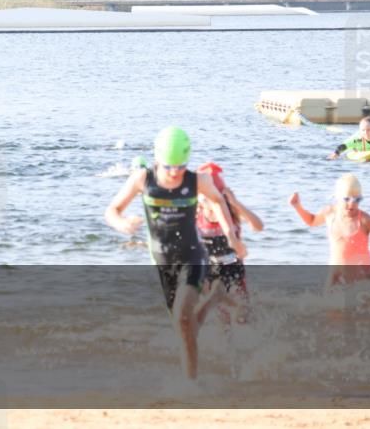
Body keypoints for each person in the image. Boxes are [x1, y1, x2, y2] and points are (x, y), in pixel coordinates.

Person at [105, 126, 245, 380]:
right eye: (168, 167)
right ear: (157, 160)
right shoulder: (141, 179)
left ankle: (190, 383)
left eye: (180, 167)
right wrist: (122, 223)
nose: (174, 173)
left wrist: (232, 236)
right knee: (184, 324)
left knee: (182, 319)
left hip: (192, 255)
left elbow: (217, 200)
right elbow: (112, 210)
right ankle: (214, 299)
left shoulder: (197, 180)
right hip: (161, 259)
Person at [289, 174, 370, 288]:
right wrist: (297, 206)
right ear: (337, 197)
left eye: (357, 199)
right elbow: (312, 221)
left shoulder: (365, 220)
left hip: (362, 277)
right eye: (347, 199)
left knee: (361, 303)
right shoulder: (329, 213)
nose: (352, 204)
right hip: (335, 275)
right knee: (326, 304)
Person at [196, 163, 264, 320]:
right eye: (208, 199)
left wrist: (236, 203)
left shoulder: (231, 212)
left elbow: (258, 226)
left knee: (244, 316)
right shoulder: (197, 214)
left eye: (218, 198)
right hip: (208, 271)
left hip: (234, 270)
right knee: (221, 318)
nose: (213, 205)